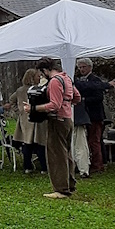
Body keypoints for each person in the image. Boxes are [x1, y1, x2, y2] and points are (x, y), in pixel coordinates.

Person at [24, 57, 81, 199]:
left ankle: (61, 189)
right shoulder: (66, 78)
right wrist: (67, 104)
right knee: (66, 154)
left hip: (57, 120)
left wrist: (33, 108)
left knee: (56, 155)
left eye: (42, 73)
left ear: (45, 70)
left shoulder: (55, 81)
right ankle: (69, 184)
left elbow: (54, 104)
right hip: (67, 119)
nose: (42, 76)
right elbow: (77, 97)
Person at [74, 57, 115, 175]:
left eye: (84, 67)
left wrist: (83, 100)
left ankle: (97, 164)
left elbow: (98, 97)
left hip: (95, 115)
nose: (82, 69)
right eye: (80, 67)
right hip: (86, 115)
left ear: (90, 67)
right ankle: (95, 162)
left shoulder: (95, 80)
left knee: (94, 140)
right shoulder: (80, 80)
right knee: (90, 140)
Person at [9, 68, 47, 174]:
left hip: (28, 120)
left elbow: (11, 101)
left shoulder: (20, 90)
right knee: (38, 143)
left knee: (28, 143)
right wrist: (19, 111)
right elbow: (12, 101)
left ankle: (28, 167)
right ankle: (43, 167)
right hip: (35, 119)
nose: (39, 77)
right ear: (31, 77)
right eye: (37, 76)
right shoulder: (33, 90)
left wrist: (19, 111)